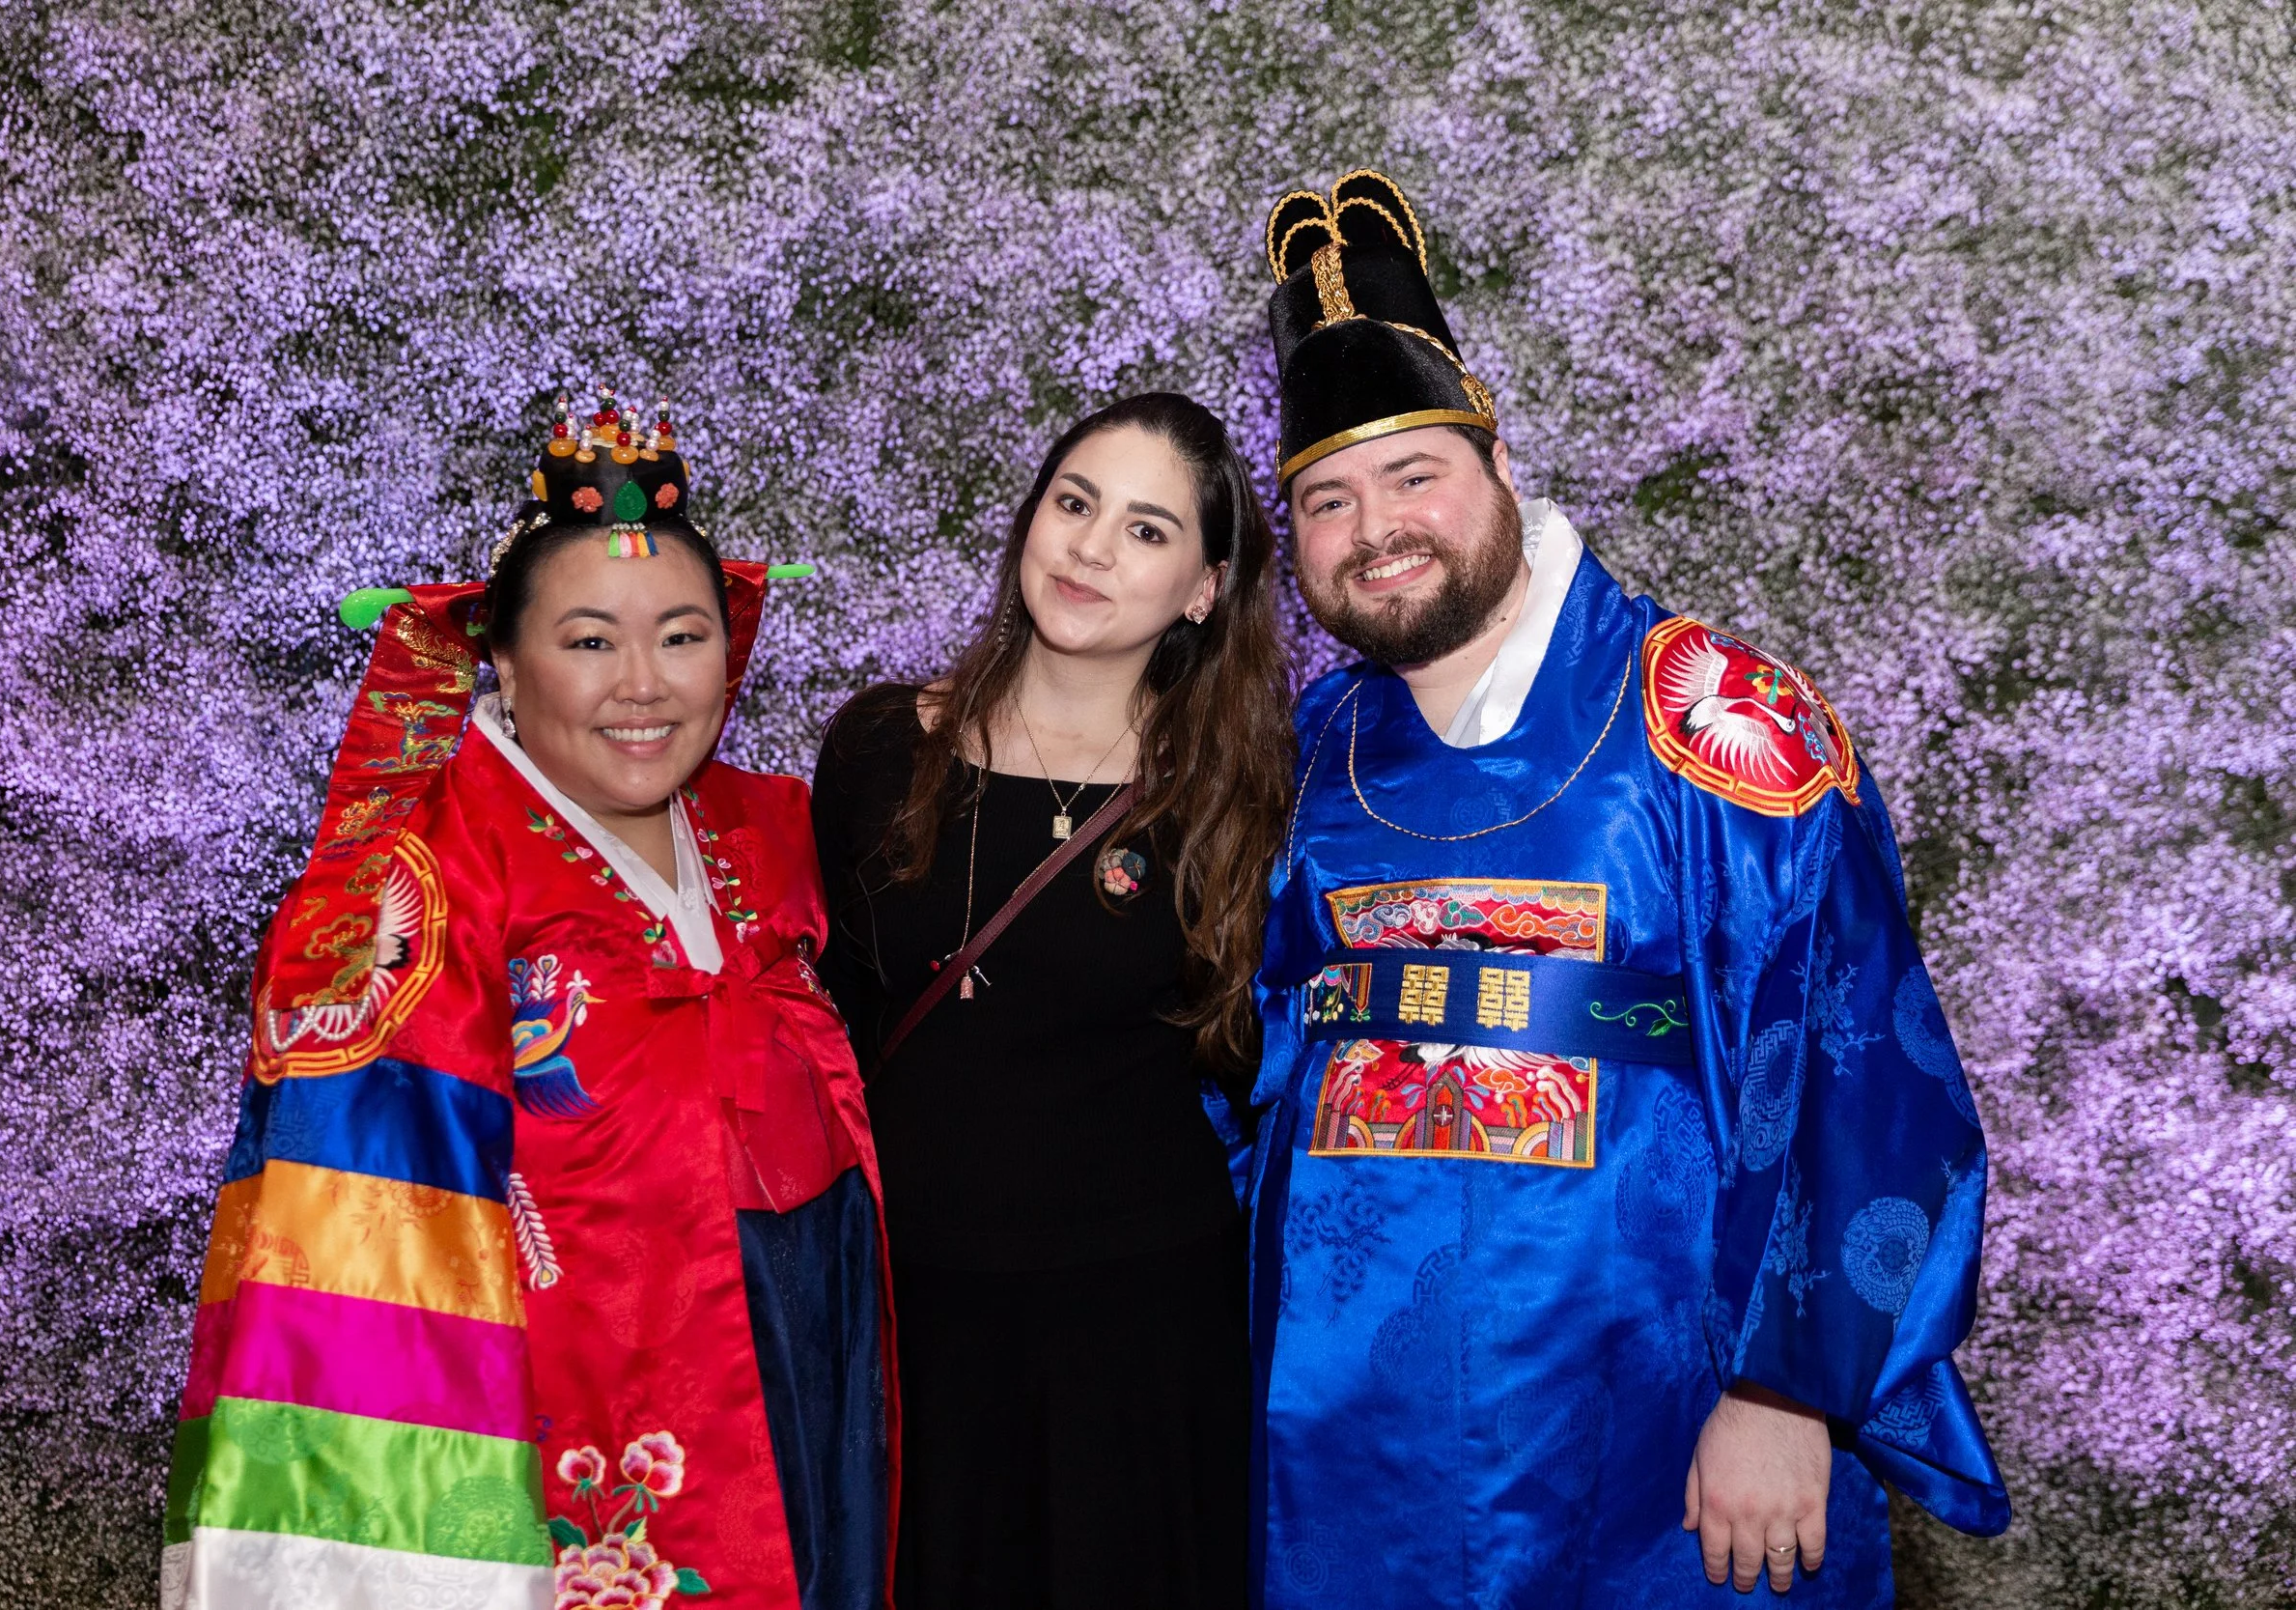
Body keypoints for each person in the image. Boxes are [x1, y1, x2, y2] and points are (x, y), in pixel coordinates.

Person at [1241, 172, 2010, 1606]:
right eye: (1328, 499)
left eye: (1415, 474)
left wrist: (1789, 1389)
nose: (1376, 527)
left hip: (1668, 1427)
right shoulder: (1315, 750)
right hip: (1351, 1446)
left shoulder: (1718, 720)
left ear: (1500, 463)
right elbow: (1256, 1068)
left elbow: (1862, 1055)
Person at [164, 394, 892, 1610]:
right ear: (500, 653)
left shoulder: (769, 827)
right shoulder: (432, 875)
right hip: (574, 1398)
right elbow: (366, 1228)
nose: (644, 685)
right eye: (590, 640)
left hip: (813, 1335)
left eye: (683, 634)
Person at [809, 392, 1291, 1610]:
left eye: (1144, 529)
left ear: (1201, 587)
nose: (1088, 547)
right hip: (911, 1321)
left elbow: (1257, 1063)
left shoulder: (1236, 799)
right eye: (1074, 504)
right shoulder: (875, 750)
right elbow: (827, 1028)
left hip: (1137, 1333)